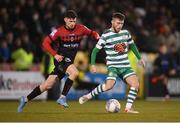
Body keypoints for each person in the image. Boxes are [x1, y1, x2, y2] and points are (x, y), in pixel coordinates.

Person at [17, 10, 99, 112]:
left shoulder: (81, 28)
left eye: (74, 21)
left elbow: (92, 33)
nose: (72, 23)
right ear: (65, 20)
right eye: (70, 21)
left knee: (47, 85)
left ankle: (25, 99)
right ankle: (62, 97)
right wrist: (54, 54)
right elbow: (45, 43)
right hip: (61, 59)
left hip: (68, 62)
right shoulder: (59, 31)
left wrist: (97, 36)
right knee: (74, 72)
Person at [79, 12, 145, 114]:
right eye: (118, 23)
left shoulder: (126, 33)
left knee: (135, 84)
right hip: (113, 66)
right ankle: (88, 96)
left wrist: (139, 58)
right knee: (109, 86)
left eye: (122, 23)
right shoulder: (106, 35)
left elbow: (132, 45)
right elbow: (95, 50)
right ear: (112, 22)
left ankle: (128, 108)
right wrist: (92, 64)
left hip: (125, 66)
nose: (120, 25)